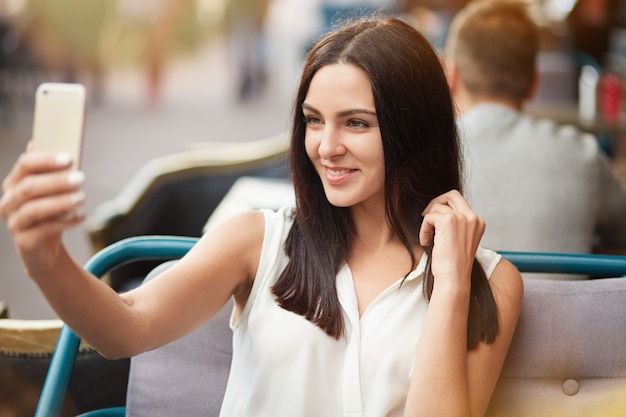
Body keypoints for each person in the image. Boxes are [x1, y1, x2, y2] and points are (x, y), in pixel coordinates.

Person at [0, 17, 523, 416]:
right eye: (313, 121)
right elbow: (125, 329)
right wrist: (44, 258)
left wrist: (450, 286)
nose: (326, 146)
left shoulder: (490, 282)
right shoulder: (259, 238)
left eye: (357, 123)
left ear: (417, 131)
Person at [444, 0, 626, 280]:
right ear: (534, 83)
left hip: (459, 320)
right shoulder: (583, 153)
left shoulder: (431, 151)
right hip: (567, 323)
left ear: (452, 76)